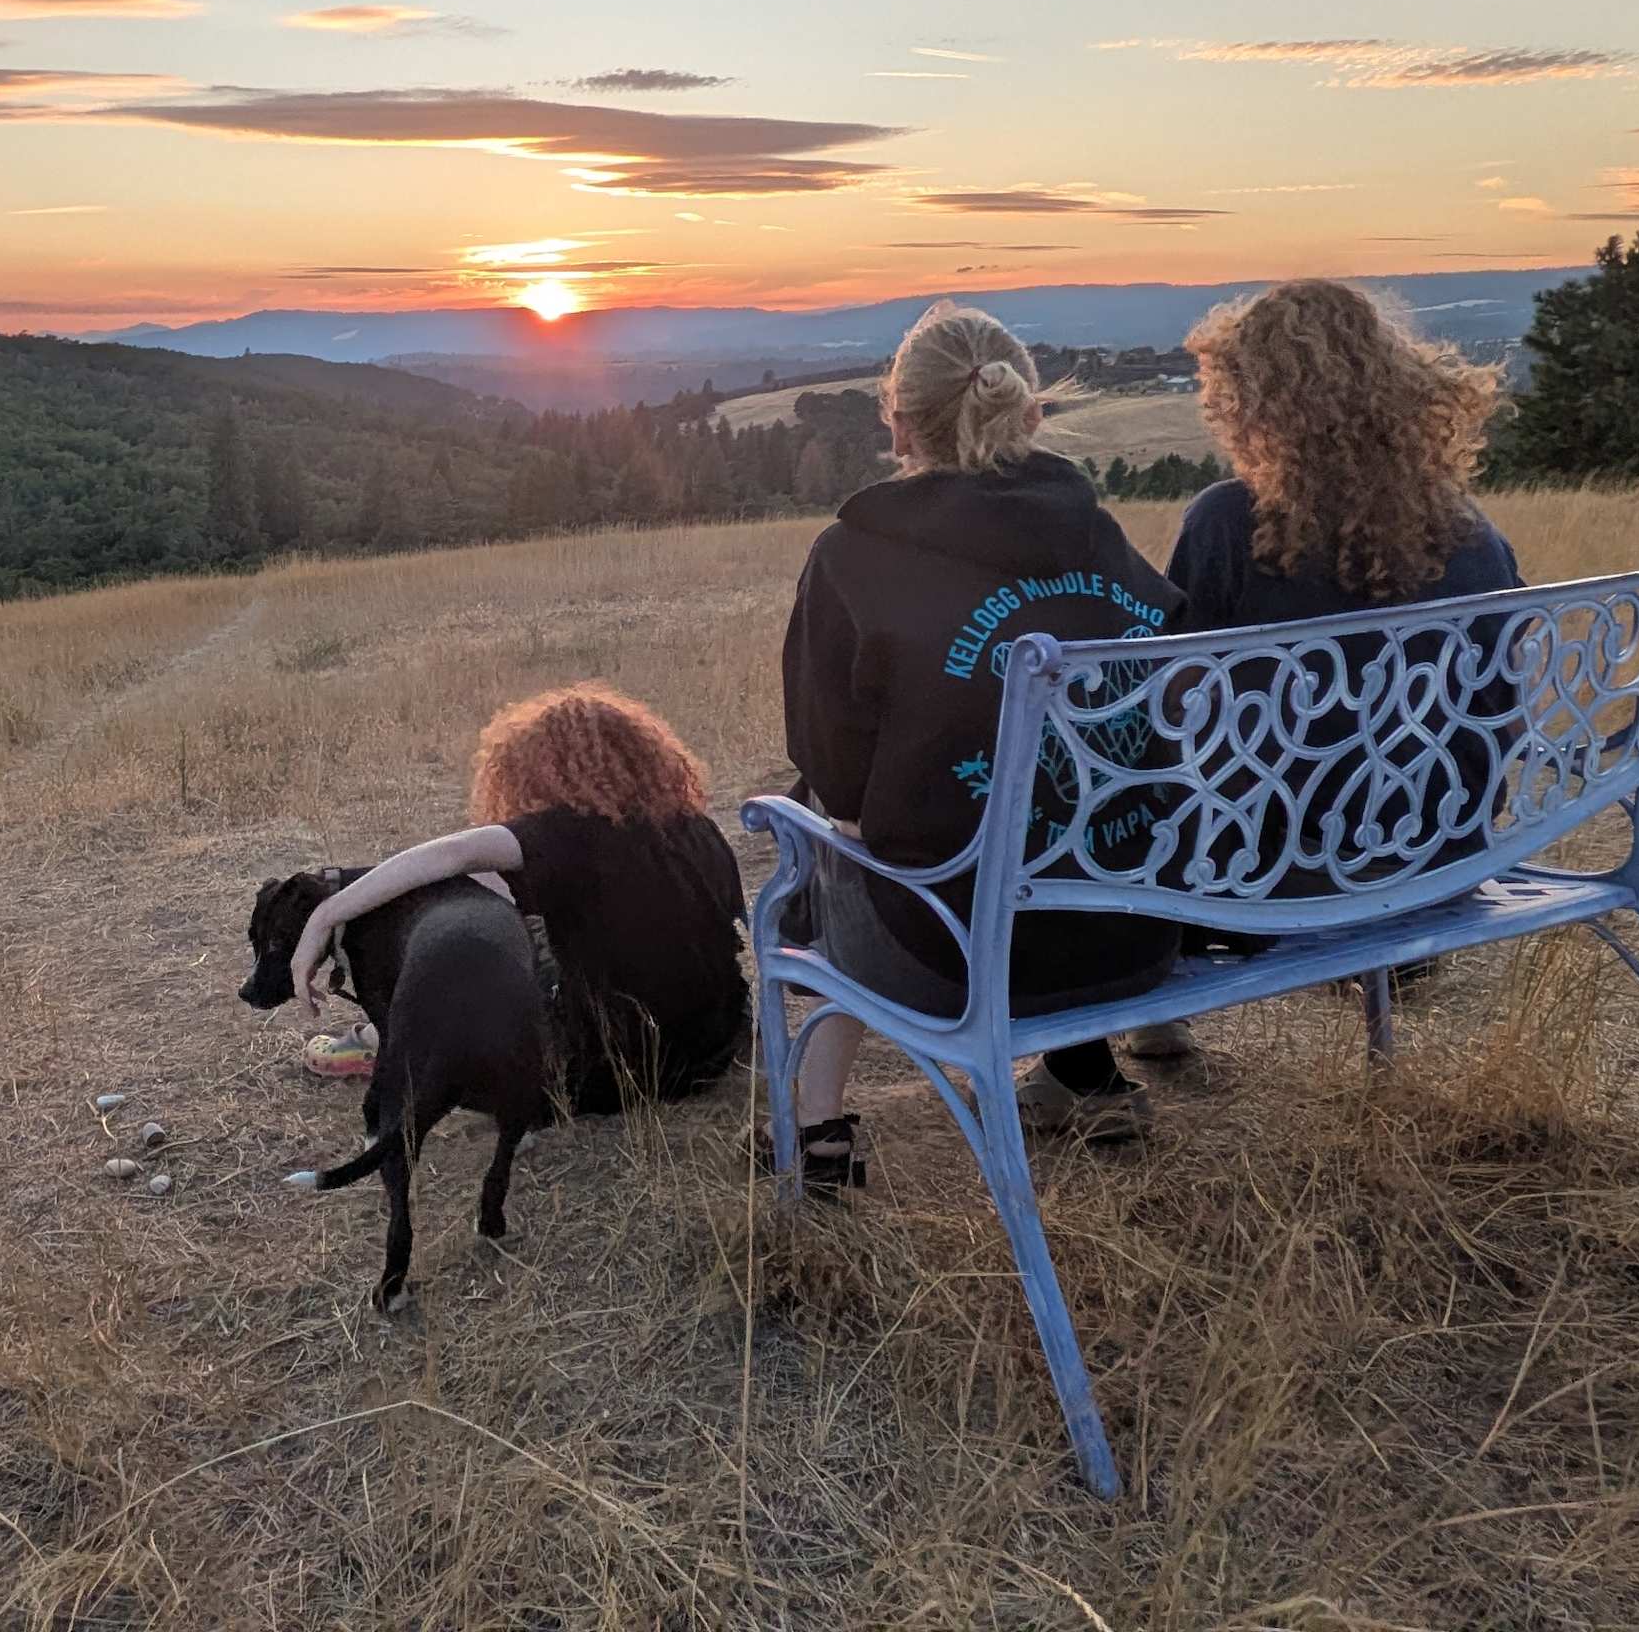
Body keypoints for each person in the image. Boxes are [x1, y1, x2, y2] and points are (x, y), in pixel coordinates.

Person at [775, 303, 1189, 1189]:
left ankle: (819, 1124)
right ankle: (1087, 1072)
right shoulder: (1100, 534)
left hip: (955, 955)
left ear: (897, 424)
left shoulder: (853, 555)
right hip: (1134, 933)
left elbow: (839, 785)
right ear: (1031, 415)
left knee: (816, 826)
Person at [1164, 281, 1523, 923]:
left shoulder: (1227, 523)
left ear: (1251, 404)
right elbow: (1499, 707)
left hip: (1281, 868)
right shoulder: (1471, 533)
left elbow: (1175, 704)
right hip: (1448, 853)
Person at [285, 683, 750, 1116]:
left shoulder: (566, 835)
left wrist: (328, 911)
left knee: (461, 922)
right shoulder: (698, 829)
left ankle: (389, 1037)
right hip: (716, 1050)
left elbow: (452, 854)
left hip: (601, 1078)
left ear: (537, 773)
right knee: (511, 904)